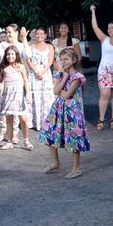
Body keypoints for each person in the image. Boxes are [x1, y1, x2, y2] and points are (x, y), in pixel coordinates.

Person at [38, 49, 90, 179]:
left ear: (73, 60)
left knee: (73, 136)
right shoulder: (60, 75)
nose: (63, 62)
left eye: (66, 59)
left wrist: (60, 88)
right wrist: (64, 77)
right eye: (61, 59)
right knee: (50, 132)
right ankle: (55, 163)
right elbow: (55, 90)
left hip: (72, 110)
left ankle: (76, 168)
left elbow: (65, 94)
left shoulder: (77, 77)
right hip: (58, 108)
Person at [90, 5, 113, 131]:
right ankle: (101, 119)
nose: (109, 29)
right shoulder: (104, 39)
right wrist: (93, 11)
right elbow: (95, 27)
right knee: (104, 94)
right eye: (108, 28)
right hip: (104, 72)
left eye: (112, 27)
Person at [0, 24, 31, 142]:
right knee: (2, 106)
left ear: (16, 33)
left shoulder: (20, 45)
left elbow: (28, 55)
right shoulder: (3, 45)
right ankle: (3, 129)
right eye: (6, 32)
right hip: (3, 78)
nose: (7, 34)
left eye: (10, 32)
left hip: (18, 81)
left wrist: (24, 38)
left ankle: (14, 133)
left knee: (16, 108)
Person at [0, 46, 33, 151]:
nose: (10, 56)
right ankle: (9, 142)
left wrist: (28, 94)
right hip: (7, 96)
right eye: (8, 54)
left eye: (12, 54)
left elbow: (26, 81)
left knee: (23, 119)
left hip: (18, 96)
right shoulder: (4, 68)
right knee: (9, 119)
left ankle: (26, 141)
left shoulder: (21, 66)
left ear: (16, 55)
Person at [26, 27, 55, 130]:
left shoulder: (50, 46)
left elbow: (51, 60)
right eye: (37, 34)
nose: (39, 36)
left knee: (46, 97)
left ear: (45, 35)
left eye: (42, 34)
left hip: (45, 73)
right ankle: (34, 122)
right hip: (34, 73)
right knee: (35, 96)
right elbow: (28, 60)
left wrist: (42, 71)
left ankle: (47, 122)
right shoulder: (30, 46)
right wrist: (35, 70)